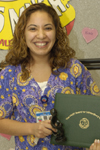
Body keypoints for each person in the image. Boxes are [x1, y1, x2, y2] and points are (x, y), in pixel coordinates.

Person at [0, 3, 100, 150]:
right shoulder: (9, 75)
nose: (41, 35)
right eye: (33, 28)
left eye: (48, 28)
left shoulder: (75, 70)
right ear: (23, 33)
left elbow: (95, 113)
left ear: (56, 32)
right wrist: (32, 129)